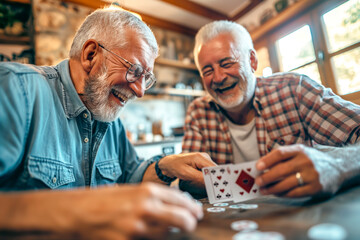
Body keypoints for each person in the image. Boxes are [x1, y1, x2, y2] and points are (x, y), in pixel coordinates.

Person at [0, 7, 216, 239]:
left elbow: (131, 176)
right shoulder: (15, 89)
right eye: (135, 70)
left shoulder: (108, 116)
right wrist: (86, 209)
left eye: (147, 78)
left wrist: (165, 166)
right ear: (91, 55)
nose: (140, 91)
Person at [182, 20, 360, 199]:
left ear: (252, 61)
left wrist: (335, 165)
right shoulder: (198, 112)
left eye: (227, 63)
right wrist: (255, 184)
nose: (218, 78)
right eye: (207, 71)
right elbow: (186, 180)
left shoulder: (294, 88)